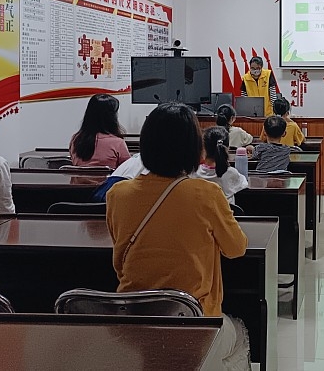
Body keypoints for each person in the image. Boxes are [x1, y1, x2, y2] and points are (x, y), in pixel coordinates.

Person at [106, 102, 250, 370]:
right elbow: (236, 248)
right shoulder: (206, 194)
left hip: (134, 322)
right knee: (240, 330)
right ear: (194, 148)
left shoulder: (117, 195)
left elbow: (119, 259)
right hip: (195, 324)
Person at [69, 94, 130, 169]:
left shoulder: (76, 139)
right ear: (112, 117)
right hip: (108, 177)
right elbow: (127, 169)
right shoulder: (117, 143)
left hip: (79, 177)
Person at [197, 126, 249, 204]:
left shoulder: (194, 172)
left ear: (203, 148)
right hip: (226, 211)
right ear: (227, 148)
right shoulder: (231, 172)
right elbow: (244, 184)